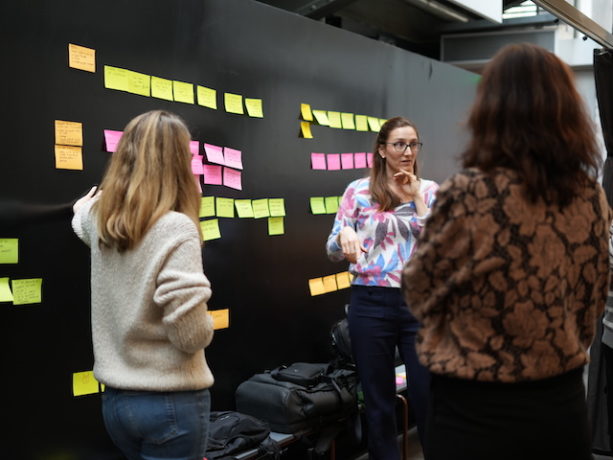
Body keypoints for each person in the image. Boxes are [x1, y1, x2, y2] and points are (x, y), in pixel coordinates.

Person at [402, 43, 612, 460]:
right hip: (560, 406)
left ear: (491, 111)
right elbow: (593, 302)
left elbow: (418, 292)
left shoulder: (470, 193)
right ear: (566, 113)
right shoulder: (591, 197)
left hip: (474, 412)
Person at [72, 110, 214, 460]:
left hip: (116, 404)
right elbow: (190, 335)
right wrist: (207, 323)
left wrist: (81, 208)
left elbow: (81, 220)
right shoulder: (177, 228)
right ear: (178, 163)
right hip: (170, 403)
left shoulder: (100, 220)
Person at [326, 116, 439, 459]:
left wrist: (417, 198)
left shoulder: (430, 191)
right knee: (377, 401)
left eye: (413, 144)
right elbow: (332, 249)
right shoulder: (358, 191)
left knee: (428, 395)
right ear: (381, 150)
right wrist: (344, 236)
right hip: (370, 301)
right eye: (399, 144)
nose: (407, 151)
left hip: (419, 302)